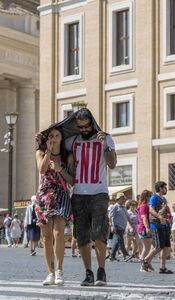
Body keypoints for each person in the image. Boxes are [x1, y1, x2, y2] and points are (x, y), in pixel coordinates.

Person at [64, 108, 117, 286]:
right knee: (82, 236)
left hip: (99, 193)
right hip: (78, 194)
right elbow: (53, 140)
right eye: (80, 127)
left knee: (99, 233)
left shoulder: (106, 138)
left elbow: (112, 164)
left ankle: (101, 271)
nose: (84, 130)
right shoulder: (71, 141)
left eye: (86, 126)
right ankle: (88, 273)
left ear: (92, 123)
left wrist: (105, 146)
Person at [34, 126, 74, 285]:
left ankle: (59, 270)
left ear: (61, 138)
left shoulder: (68, 157)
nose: (54, 138)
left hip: (61, 195)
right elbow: (42, 170)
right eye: (51, 136)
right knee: (46, 237)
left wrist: (61, 170)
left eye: (57, 135)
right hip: (44, 196)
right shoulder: (40, 153)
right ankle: (50, 272)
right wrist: (48, 152)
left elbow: (72, 180)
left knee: (58, 233)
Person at [142, 181, 173, 274]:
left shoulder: (163, 199)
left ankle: (162, 267)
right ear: (160, 188)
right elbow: (151, 210)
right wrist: (159, 217)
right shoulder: (154, 197)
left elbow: (164, 211)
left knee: (166, 247)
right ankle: (145, 261)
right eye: (164, 187)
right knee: (158, 246)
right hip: (156, 225)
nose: (166, 189)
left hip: (164, 226)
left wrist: (167, 218)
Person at [108, 193, 134, 262]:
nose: (123, 200)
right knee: (121, 240)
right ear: (118, 199)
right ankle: (125, 255)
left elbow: (127, 216)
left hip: (123, 227)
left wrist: (131, 225)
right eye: (122, 198)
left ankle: (112, 256)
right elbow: (110, 217)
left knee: (117, 241)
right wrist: (112, 226)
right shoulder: (115, 206)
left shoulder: (123, 207)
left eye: (123, 198)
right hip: (117, 226)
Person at [137, 190, 153, 270]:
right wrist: (147, 227)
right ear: (146, 197)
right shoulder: (144, 206)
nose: (151, 198)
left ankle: (147, 263)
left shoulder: (144, 205)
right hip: (143, 228)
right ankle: (143, 265)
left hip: (143, 228)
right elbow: (144, 218)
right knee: (146, 248)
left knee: (147, 248)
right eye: (150, 196)